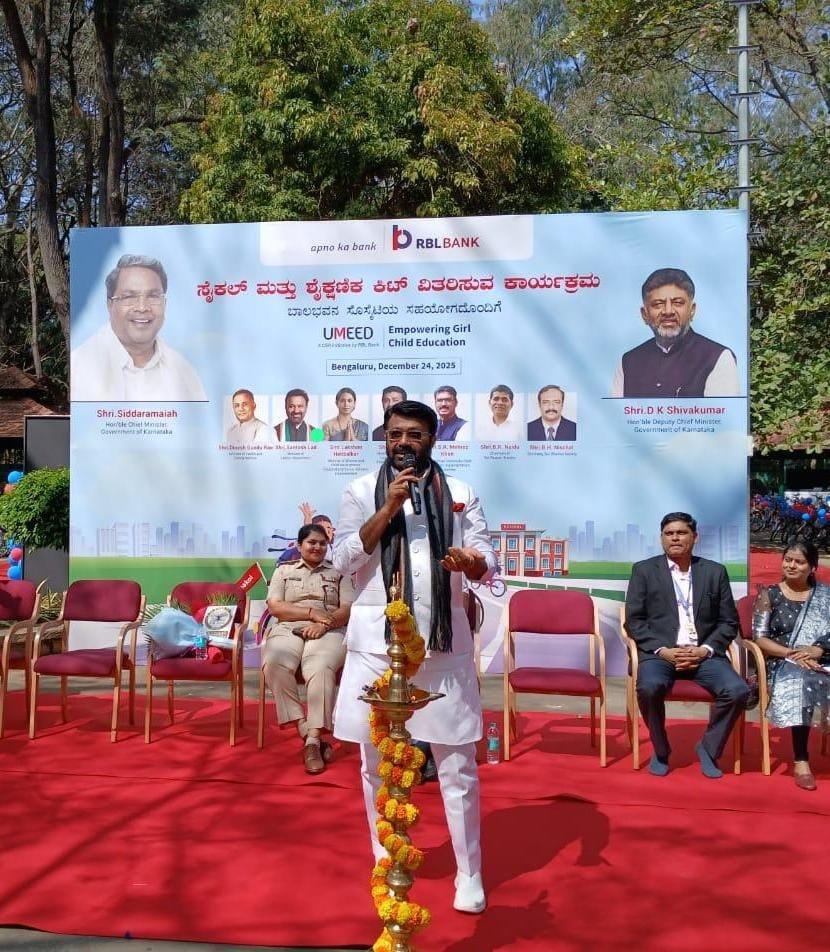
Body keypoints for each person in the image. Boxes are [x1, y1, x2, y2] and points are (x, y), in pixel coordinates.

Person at [333, 399, 498, 914]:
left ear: (432, 439)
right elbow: (342, 559)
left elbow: (487, 561)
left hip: (442, 645)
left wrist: (472, 562)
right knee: (374, 762)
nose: (403, 443)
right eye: (395, 434)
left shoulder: (461, 494)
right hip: (376, 648)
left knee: (458, 765)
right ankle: (385, 857)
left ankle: (469, 875)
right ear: (385, 438)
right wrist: (387, 507)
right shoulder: (361, 490)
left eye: (415, 435)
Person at [625, 511, 748, 778]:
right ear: (661, 538)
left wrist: (705, 650)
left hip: (704, 654)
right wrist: (663, 650)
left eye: (681, 533)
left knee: (738, 690)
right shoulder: (644, 571)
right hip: (661, 653)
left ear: (695, 537)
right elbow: (634, 621)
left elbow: (728, 622)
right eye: (669, 534)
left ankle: (709, 748)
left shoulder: (714, 572)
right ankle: (661, 750)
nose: (675, 538)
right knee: (648, 687)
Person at [262, 523, 353, 774]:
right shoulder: (284, 570)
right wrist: (311, 613)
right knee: (275, 665)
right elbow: (275, 607)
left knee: (320, 668)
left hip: (329, 629)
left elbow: (347, 609)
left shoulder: (340, 572)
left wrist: (324, 624)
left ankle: (313, 740)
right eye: (312, 542)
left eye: (322, 543)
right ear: (300, 545)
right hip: (288, 627)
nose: (317, 547)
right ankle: (304, 728)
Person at [71, 254, 207, 402]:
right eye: (129, 297)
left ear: (164, 304)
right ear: (110, 304)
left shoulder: (184, 373)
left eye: (153, 296)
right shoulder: (79, 367)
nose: (142, 308)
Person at [753, 541, 830, 791]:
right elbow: (760, 638)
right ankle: (801, 760)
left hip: (820, 657)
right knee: (803, 681)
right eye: (788, 560)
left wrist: (818, 650)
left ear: (813, 567)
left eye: (799, 562)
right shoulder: (769, 594)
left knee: (813, 674)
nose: (791, 565)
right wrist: (792, 653)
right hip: (781, 660)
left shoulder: (825, 596)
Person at [611, 268, 740, 398]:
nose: (668, 311)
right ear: (645, 314)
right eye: (658, 304)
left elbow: (722, 411)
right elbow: (614, 411)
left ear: (692, 310)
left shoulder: (717, 358)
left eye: (678, 303)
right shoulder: (628, 362)